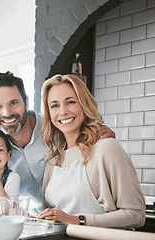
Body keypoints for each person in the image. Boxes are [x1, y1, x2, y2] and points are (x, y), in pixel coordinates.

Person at [0, 71, 115, 214]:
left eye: (13, 103)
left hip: (79, 218)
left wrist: (101, 133)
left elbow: (90, 137)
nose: (7, 113)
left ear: (26, 102)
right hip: (34, 222)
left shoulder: (57, 125)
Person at [37, 74, 145, 228]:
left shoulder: (106, 148)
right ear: (49, 113)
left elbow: (136, 215)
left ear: (84, 104)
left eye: (71, 102)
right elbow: (55, 218)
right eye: (54, 105)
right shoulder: (52, 161)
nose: (63, 112)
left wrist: (77, 221)